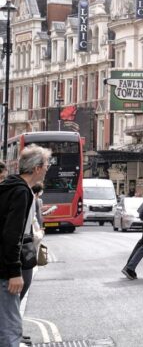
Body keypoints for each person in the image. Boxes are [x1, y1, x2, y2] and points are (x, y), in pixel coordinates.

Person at [0, 145, 50, 346]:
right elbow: (12, 234)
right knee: (10, 330)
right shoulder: (21, 192)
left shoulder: (8, 186)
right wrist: (14, 271)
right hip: (5, 269)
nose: (47, 168)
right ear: (37, 168)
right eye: (46, 164)